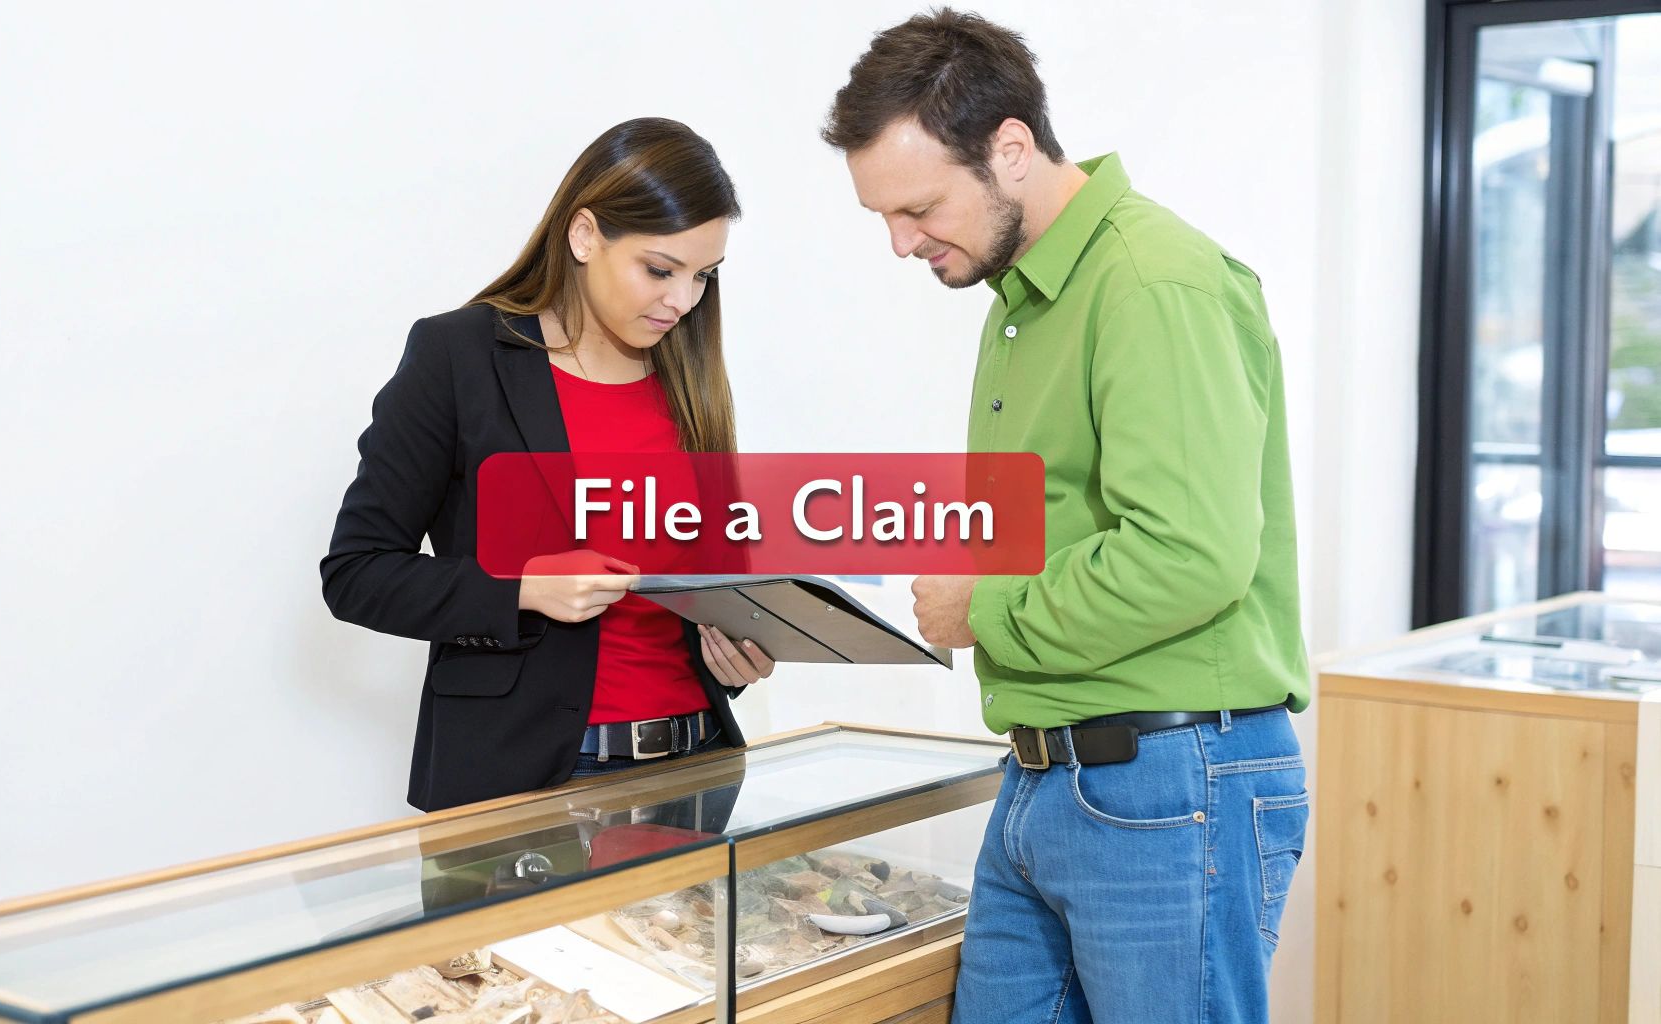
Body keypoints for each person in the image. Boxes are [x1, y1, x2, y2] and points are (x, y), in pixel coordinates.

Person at [824, 10, 1311, 1023]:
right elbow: (1059, 528)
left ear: (1008, 148)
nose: (898, 242)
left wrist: (982, 609)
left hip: (1169, 779)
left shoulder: (1149, 281)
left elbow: (1188, 556)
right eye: (880, 216)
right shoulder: (1021, 300)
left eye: (916, 207)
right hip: (1049, 773)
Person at [321, 117, 774, 814]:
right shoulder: (458, 356)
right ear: (585, 234)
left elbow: (714, 578)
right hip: (528, 781)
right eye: (659, 269)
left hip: (695, 768)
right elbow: (356, 573)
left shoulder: (691, 374)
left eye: (702, 277)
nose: (682, 301)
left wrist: (739, 655)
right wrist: (523, 587)